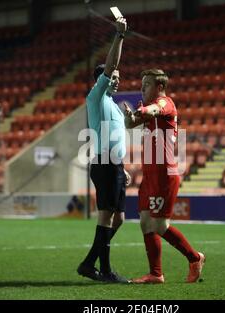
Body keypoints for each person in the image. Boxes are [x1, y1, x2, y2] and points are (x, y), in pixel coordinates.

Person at [125, 69, 205, 284]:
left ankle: (195, 257)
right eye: (142, 85)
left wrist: (140, 111)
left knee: (159, 225)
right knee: (145, 222)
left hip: (164, 174)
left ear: (159, 87)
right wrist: (130, 117)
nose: (142, 89)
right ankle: (156, 274)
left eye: (147, 85)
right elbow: (130, 123)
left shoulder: (165, 103)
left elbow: (154, 109)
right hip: (149, 175)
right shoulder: (150, 111)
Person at [76, 17, 131, 283]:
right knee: (107, 216)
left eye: (119, 78)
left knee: (119, 218)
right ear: (101, 79)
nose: (117, 80)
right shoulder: (96, 97)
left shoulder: (115, 106)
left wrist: (123, 167)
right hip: (103, 163)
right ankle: (104, 270)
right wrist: (119, 36)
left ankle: (90, 262)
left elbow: (118, 138)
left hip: (115, 164)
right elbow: (111, 66)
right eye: (113, 77)